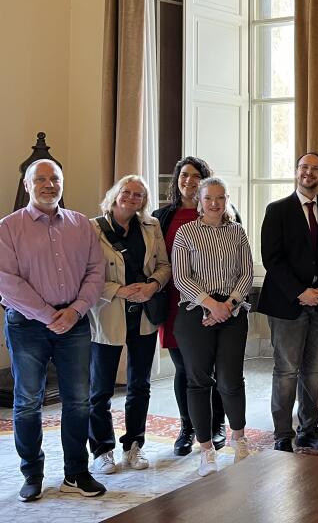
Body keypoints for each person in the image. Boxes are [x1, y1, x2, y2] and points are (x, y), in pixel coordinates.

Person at [0, 160, 106, 501]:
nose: (49, 184)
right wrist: (49, 315)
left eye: (55, 178)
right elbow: (6, 282)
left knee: (78, 400)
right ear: (27, 186)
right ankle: (32, 473)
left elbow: (96, 272)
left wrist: (75, 311)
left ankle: (76, 473)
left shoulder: (81, 224)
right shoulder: (8, 228)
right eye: (41, 179)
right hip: (26, 325)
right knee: (28, 402)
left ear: (62, 183)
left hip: (74, 322)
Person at [258, 153, 318, 452]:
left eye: (315, 168)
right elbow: (272, 258)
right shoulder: (277, 210)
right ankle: (282, 434)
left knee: (313, 370)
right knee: (286, 370)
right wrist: (300, 292)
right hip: (287, 304)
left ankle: (308, 429)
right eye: (304, 167)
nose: (309, 172)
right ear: (296, 172)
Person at [87, 175, 171, 476]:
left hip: (143, 313)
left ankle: (134, 444)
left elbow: (164, 265)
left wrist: (152, 285)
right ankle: (102, 450)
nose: (131, 198)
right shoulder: (93, 228)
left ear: (144, 201)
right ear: (115, 194)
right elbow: (86, 273)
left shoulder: (151, 226)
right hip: (108, 313)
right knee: (100, 389)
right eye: (127, 192)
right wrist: (118, 291)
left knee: (140, 385)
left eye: (139, 195)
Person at [171, 176, 254, 477]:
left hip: (232, 311)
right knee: (198, 381)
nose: (215, 203)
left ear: (227, 200)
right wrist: (211, 305)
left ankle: (239, 440)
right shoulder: (186, 233)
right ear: (200, 201)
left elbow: (247, 273)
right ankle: (206, 450)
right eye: (209, 198)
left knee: (231, 380)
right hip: (195, 313)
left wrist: (227, 306)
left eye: (220, 198)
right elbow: (181, 277)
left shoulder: (237, 232)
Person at [152, 156, 226, 455]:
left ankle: (216, 425)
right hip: (175, 303)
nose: (189, 181)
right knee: (184, 367)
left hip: (213, 303)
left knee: (212, 367)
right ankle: (187, 427)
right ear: (177, 179)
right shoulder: (161, 217)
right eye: (184, 175)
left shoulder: (220, 213)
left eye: (196, 176)